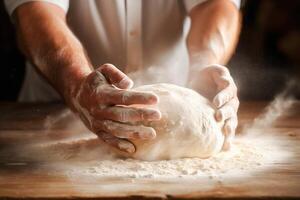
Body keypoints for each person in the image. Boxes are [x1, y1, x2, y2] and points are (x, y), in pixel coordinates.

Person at [4, 0, 241, 154]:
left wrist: (205, 62)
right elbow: (36, 13)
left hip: (183, 100)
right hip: (47, 115)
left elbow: (215, 5)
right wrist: (77, 85)